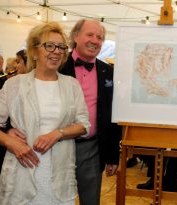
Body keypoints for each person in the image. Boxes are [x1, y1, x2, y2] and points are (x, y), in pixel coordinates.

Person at [0, 22, 90, 205]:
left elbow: (84, 125)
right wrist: (10, 142)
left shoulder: (71, 85)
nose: (56, 51)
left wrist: (58, 133)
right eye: (49, 45)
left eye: (61, 47)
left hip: (60, 174)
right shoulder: (14, 85)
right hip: (20, 171)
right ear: (34, 51)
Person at [60, 19, 122, 205]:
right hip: (58, 146)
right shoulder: (58, 67)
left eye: (100, 37)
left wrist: (112, 156)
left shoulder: (108, 71)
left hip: (92, 148)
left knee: (91, 201)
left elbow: (112, 116)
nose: (95, 40)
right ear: (75, 36)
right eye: (90, 34)